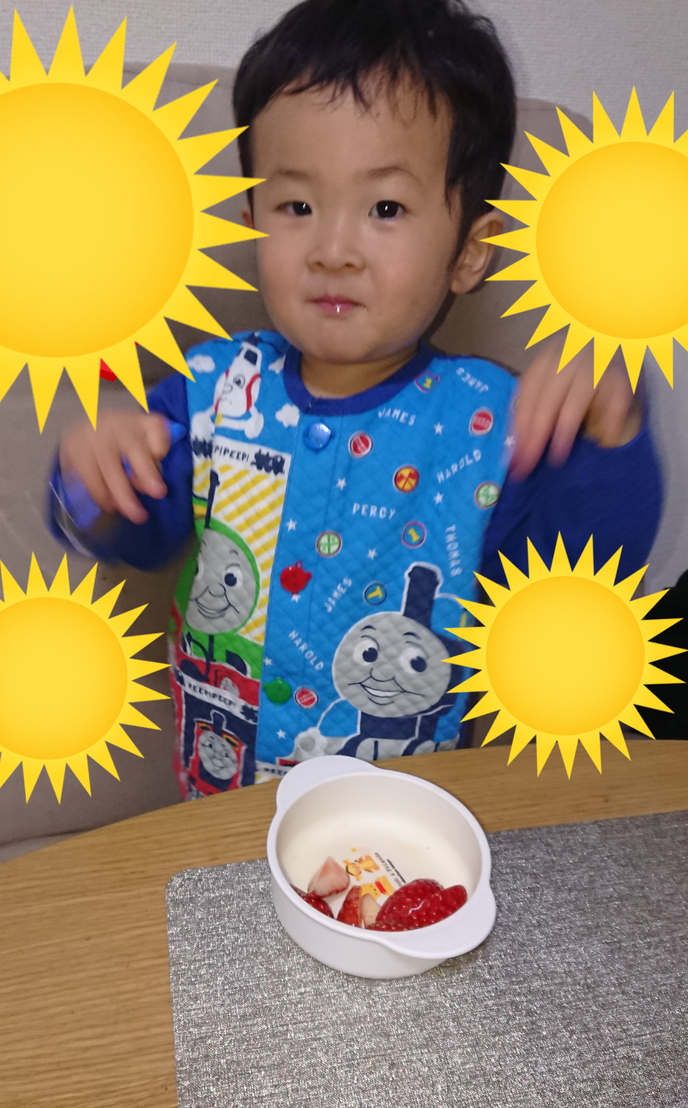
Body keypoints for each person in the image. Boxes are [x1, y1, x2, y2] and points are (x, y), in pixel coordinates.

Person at [48, 0, 661, 797]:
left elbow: (585, 579)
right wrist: (95, 476)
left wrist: (610, 432)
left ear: (469, 252)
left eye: (386, 209)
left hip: (403, 818)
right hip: (217, 803)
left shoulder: (492, 424)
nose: (333, 250)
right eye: (297, 207)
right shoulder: (209, 393)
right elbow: (134, 534)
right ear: (251, 222)